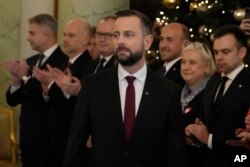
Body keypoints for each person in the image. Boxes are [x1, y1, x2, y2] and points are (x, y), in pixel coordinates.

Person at [63, 9, 186, 167]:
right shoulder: (93, 87)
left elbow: (175, 155)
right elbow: (74, 148)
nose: (120, 41)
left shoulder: (168, 92)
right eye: (116, 35)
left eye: (128, 35)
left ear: (147, 42)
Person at [4, 14, 68, 167]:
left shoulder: (63, 61)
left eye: (32, 33)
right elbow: (12, 101)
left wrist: (25, 78)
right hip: (27, 141)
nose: (28, 38)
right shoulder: (31, 61)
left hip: (48, 144)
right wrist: (15, 81)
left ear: (46, 34)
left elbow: (50, 98)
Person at [185, 25, 250, 167]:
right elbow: (206, 124)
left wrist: (209, 139)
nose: (219, 57)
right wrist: (195, 133)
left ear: (242, 52)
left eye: (225, 52)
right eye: (216, 52)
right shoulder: (212, 83)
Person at [33, 18, 93, 167]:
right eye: (64, 35)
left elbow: (79, 104)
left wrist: (52, 84)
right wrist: (47, 90)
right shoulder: (63, 63)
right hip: (55, 138)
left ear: (86, 39)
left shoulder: (90, 65)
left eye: (71, 35)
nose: (65, 39)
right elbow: (55, 101)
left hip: (72, 140)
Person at [180, 42, 216, 167]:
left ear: (207, 67)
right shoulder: (178, 92)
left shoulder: (212, 94)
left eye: (192, 62)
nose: (186, 67)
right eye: (183, 62)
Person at [157, 22, 190, 87]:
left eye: (169, 40)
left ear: (185, 44)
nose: (163, 45)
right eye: (161, 39)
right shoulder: (158, 71)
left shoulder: (185, 74)